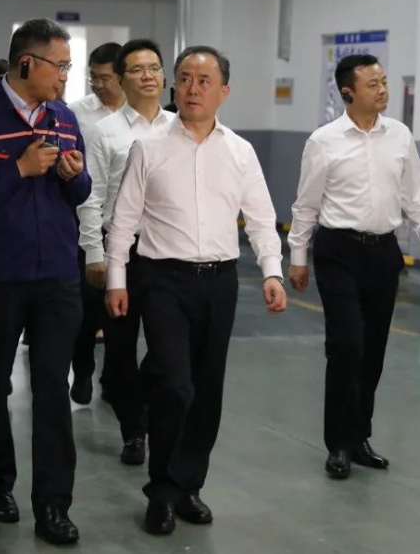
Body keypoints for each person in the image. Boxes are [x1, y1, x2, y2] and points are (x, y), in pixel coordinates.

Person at [105, 45, 287, 536]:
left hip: (219, 282)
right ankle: (161, 492)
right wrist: (117, 280)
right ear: (174, 86)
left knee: (206, 390)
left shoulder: (240, 151)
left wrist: (272, 272)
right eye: (184, 79)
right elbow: (123, 222)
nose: (192, 89)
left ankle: (188, 486)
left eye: (204, 81)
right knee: (174, 384)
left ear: (224, 91)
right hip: (162, 280)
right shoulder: (148, 148)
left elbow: (261, 218)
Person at [0, 18, 89, 545]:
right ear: (27, 63)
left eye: (69, 66)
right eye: (60, 66)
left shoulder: (64, 118)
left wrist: (75, 175)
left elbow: (81, 192)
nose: (65, 76)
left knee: (53, 389)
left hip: (56, 276)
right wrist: (18, 169)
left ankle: (53, 504)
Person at [287, 53, 420, 480]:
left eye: (384, 82)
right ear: (348, 92)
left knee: (373, 349)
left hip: (382, 253)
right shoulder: (323, 141)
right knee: (347, 345)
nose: (383, 90)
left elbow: (416, 196)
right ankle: (338, 444)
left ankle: (359, 436)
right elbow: (306, 205)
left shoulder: (399, 136)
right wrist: (298, 257)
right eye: (373, 84)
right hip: (338, 252)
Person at [77, 38, 175, 464]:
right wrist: (93, 253)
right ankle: (134, 430)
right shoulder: (106, 132)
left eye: (154, 68)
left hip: (169, 252)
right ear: (121, 79)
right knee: (119, 347)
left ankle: (143, 400)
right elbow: (91, 196)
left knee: (168, 347)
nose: (148, 76)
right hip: (123, 252)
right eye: (137, 69)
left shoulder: (180, 126)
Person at [66, 41, 126, 405]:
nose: (98, 85)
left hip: (128, 229)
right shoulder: (76, 114)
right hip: (84, 223)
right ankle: (84, 369)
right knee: (87, 308)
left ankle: (114, 378)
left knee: (121, 312)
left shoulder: (140, 116)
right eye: (93, 78)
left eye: (105, 78)